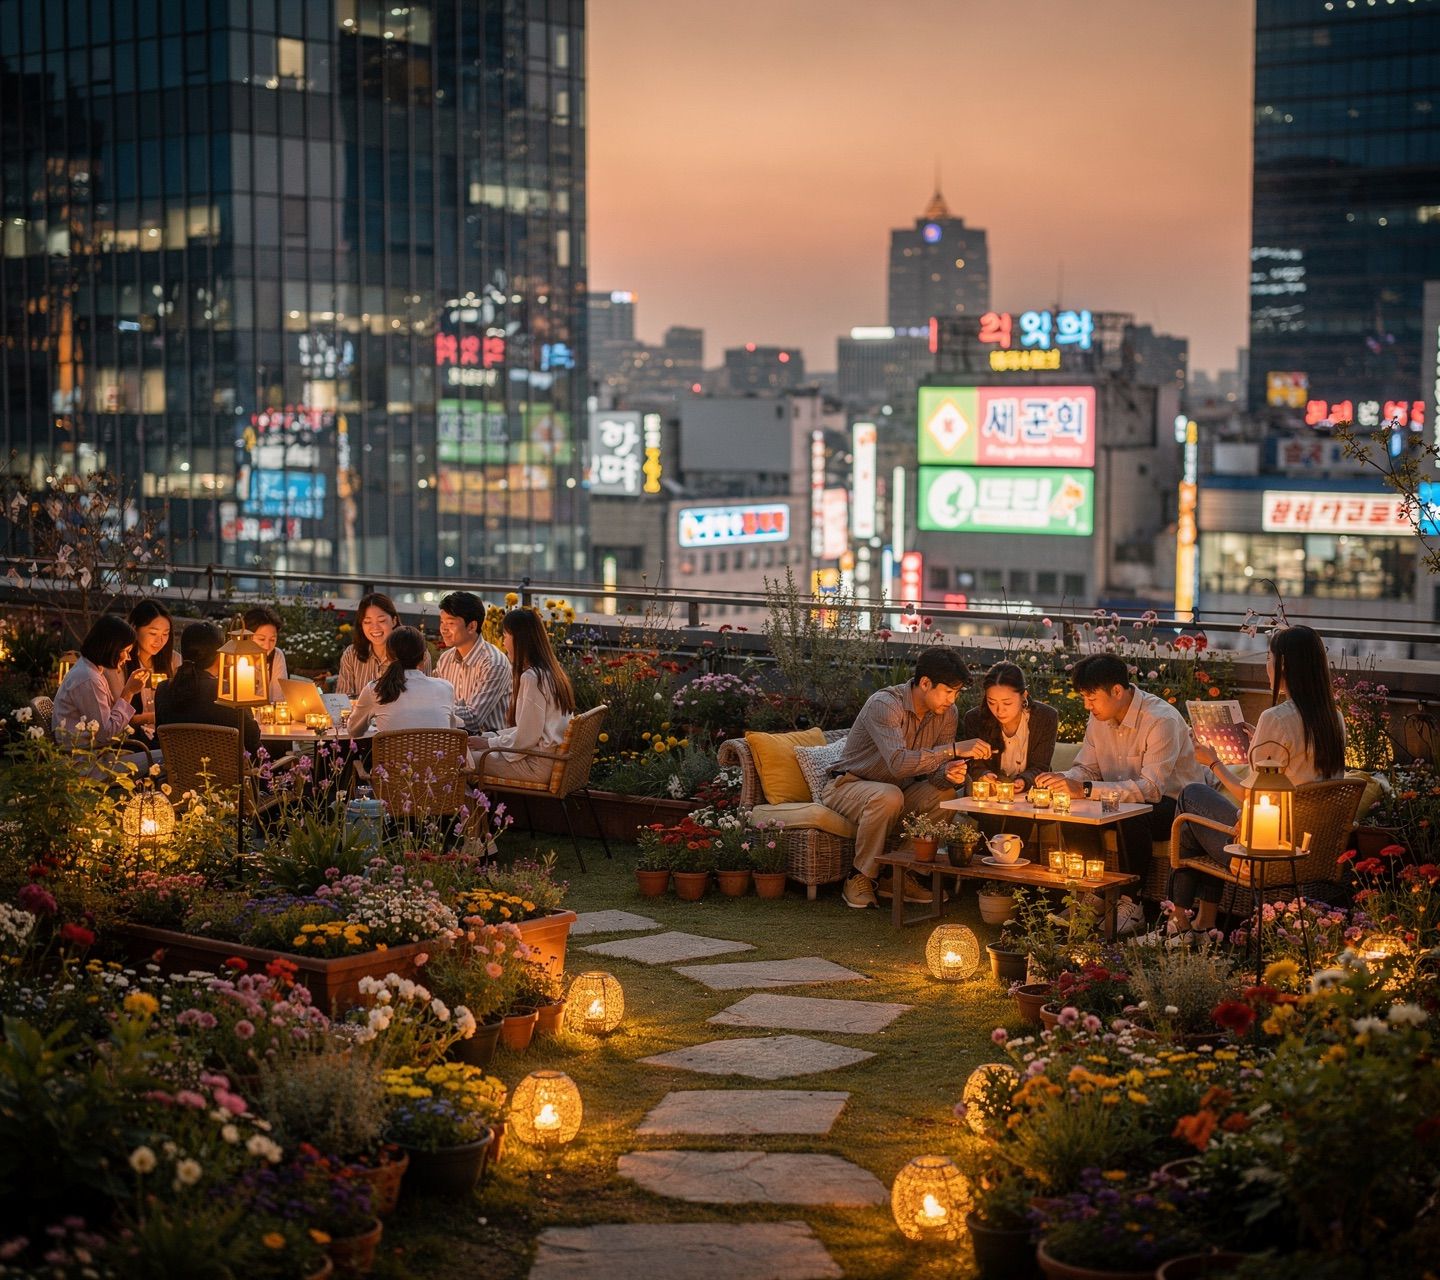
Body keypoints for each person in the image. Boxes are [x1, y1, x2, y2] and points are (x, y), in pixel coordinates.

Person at [1160, 625, 1346, 941]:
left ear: (1284, 666)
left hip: (1266, 849)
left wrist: (1213, 762)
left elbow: (1252, 797)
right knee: (1194, 821)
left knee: (1190, 798)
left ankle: (1179, 923)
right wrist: (1259, 742)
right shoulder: (1334, 717)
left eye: (1269, 659)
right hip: (1309, 846)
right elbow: (1298, 771)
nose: (1266, 666)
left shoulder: (1276, 718)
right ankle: (1201, 924)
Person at [821, 648, 991, 910]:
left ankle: (899, 876)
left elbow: (935, 774)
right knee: (888, 796)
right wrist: (953, 750)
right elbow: (899, 763)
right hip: (849, 786)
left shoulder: (948, 713)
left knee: (945, 797)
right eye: (948, 691)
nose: (952, 699)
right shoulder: (885, 704)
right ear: (925, 683)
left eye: (956, 693)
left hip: (900, 791)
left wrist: (948, 773)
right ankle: (859, 876)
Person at [1035, 652, 1205, 879]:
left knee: (1131, 814)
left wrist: (1085, 789)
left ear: (1116, 691)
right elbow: (1088, 768)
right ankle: (1087, 887)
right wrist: (1064, 780)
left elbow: (1152, 789)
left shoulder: (1161, 719)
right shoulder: (1099, 717)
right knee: (1073, 807)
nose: (1087, 706)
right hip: (1121, 801)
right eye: (1084, 697)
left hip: (1174, 806)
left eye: (1092, 698)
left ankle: (1130, 895)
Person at [469, 608, 576, 785]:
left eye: (505, 635)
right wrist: (489, 738)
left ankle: (463, 803)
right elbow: (530, 729)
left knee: (460, 758)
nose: (503, 642)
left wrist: (488, 743)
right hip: (548, 760)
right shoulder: (550, 673)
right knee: (470, 752)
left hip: (535, 765)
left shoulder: (532, 678)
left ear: (519, 639)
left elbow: (527, 736)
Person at [54, 614, 149, 773]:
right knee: (163, 759)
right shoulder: (88, 678)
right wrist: (129, 692)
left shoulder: (92, 671)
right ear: (111, 647)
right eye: (125, 651)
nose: (127, 657)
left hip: (97, 754)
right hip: (87, 764)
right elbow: (106, 733)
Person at [154, 620, 261, 757]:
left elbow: (160, 740)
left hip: (178, 769)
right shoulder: (229, 693)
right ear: (220, 655)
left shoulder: (163, 689)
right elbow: (253, 741)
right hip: (225, 770)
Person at [346, 626, 464, 738]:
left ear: (388, 657)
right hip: (439, 753)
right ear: (424, 657)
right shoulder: (445, 688)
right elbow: (450, 731)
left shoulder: (376, 689)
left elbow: (354, 730)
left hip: (393, 753)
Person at [961, 661, 1058, 790]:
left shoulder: (1045, 717)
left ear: (1023, 696)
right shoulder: (975, 719)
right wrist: (984, 775)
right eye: (992, 702)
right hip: (989, 794)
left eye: (1007, 703)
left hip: (1031, 793)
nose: (999, 710)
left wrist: (1023, 781)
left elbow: (1041, 766)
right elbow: (974, 764)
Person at [435, 590, 511, 734]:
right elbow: (435, 698)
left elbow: (473, 719)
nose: (443, 629)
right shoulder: (445, 659)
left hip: (488, 741)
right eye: (442, 622)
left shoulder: (493, 663)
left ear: (471, 626)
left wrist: (435, 709)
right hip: (452, 738)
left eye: (450, 623)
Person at [336, 592, 431, 696]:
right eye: (367, 622)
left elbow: (426, 695)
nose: (375, 627)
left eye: (381, 620)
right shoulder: (351, 654)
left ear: (394, 621)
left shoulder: (416, 652)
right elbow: (343, 698)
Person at [123, 599, 180, 737]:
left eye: (165, 634)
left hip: (165, 737)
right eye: (153, 633)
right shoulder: (123, 661)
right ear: (135, 629)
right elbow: (116, 717)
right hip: (132, 739)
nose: (159, 641)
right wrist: (154, 717)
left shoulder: (173, 660)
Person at [242, 605, 289, 702]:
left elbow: (279, 698)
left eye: (272, 639)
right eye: (261, 639)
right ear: (247, 636)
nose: (267, 646)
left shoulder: (276, 656)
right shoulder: (236, 658)